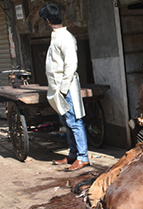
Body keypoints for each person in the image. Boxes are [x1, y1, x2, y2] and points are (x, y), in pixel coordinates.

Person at [40, 4, 89, 171]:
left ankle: (83, 157)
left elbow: (71, 64)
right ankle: (74, 154)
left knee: (74, 122)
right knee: (66, 122)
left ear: (47, 20)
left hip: (65, 87)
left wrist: (63, 88)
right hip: (58, 88)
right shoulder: (57, 36)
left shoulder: (65, 37)